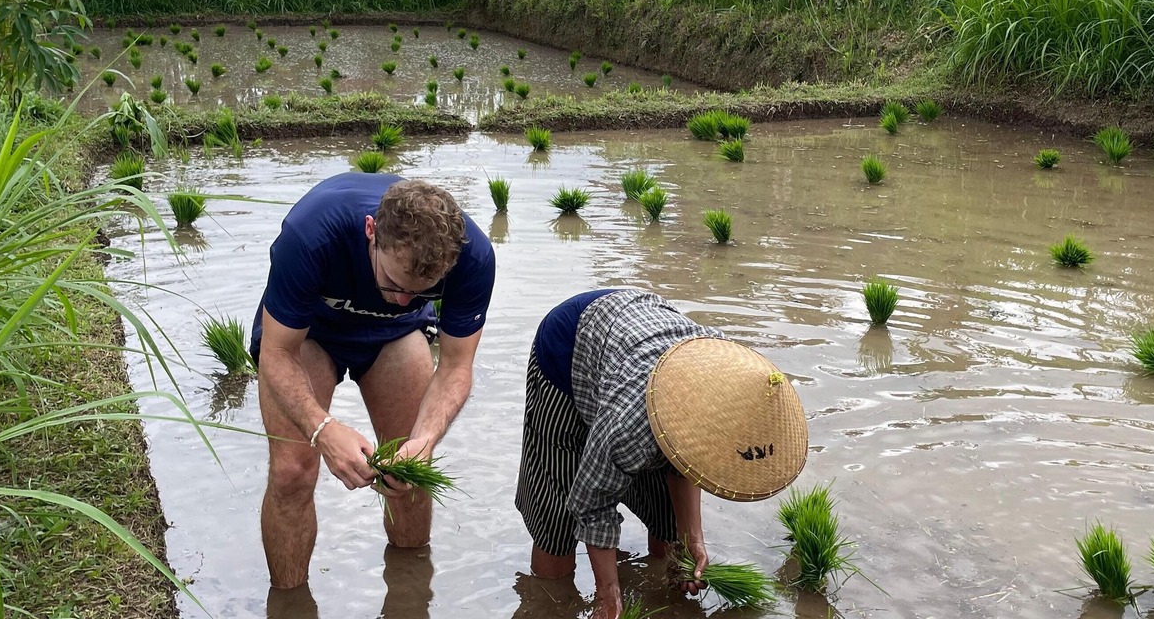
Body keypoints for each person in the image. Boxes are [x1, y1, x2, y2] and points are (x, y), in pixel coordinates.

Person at [251, 173, 495, 589]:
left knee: (410, 469)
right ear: (372, 232)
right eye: (394, 283)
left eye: (421, 292)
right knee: (293, 472)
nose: (404, 299)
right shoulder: (311, 235)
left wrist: (427, 438)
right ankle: (290, 603)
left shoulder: (473, 259)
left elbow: (456, 367)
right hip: (310, 335)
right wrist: (324, 429)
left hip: (394, 336)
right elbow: (277, 354)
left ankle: (409, 593)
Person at [516, 289, 808, 619]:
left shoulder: (734, 379)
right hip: (566, 354)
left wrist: (691, 539)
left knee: (670, 535)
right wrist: (608, 595)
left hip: (639, 348)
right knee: (557, 524)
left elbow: (689, 464)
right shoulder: (629, 425)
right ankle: (544, 603)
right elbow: (592, 502)